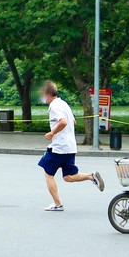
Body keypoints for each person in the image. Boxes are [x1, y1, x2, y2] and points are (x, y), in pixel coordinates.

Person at [38, 81, 104, 211]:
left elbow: (63, 122)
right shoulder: (64, 104)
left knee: (48, 173)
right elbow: (73, 120)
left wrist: (52, 133)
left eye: (43, 93)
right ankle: (91, 176)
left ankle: (58, 204)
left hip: (59, 147)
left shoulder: (54, 106)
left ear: (48, 94)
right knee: (68, 176)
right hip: (70, 146)